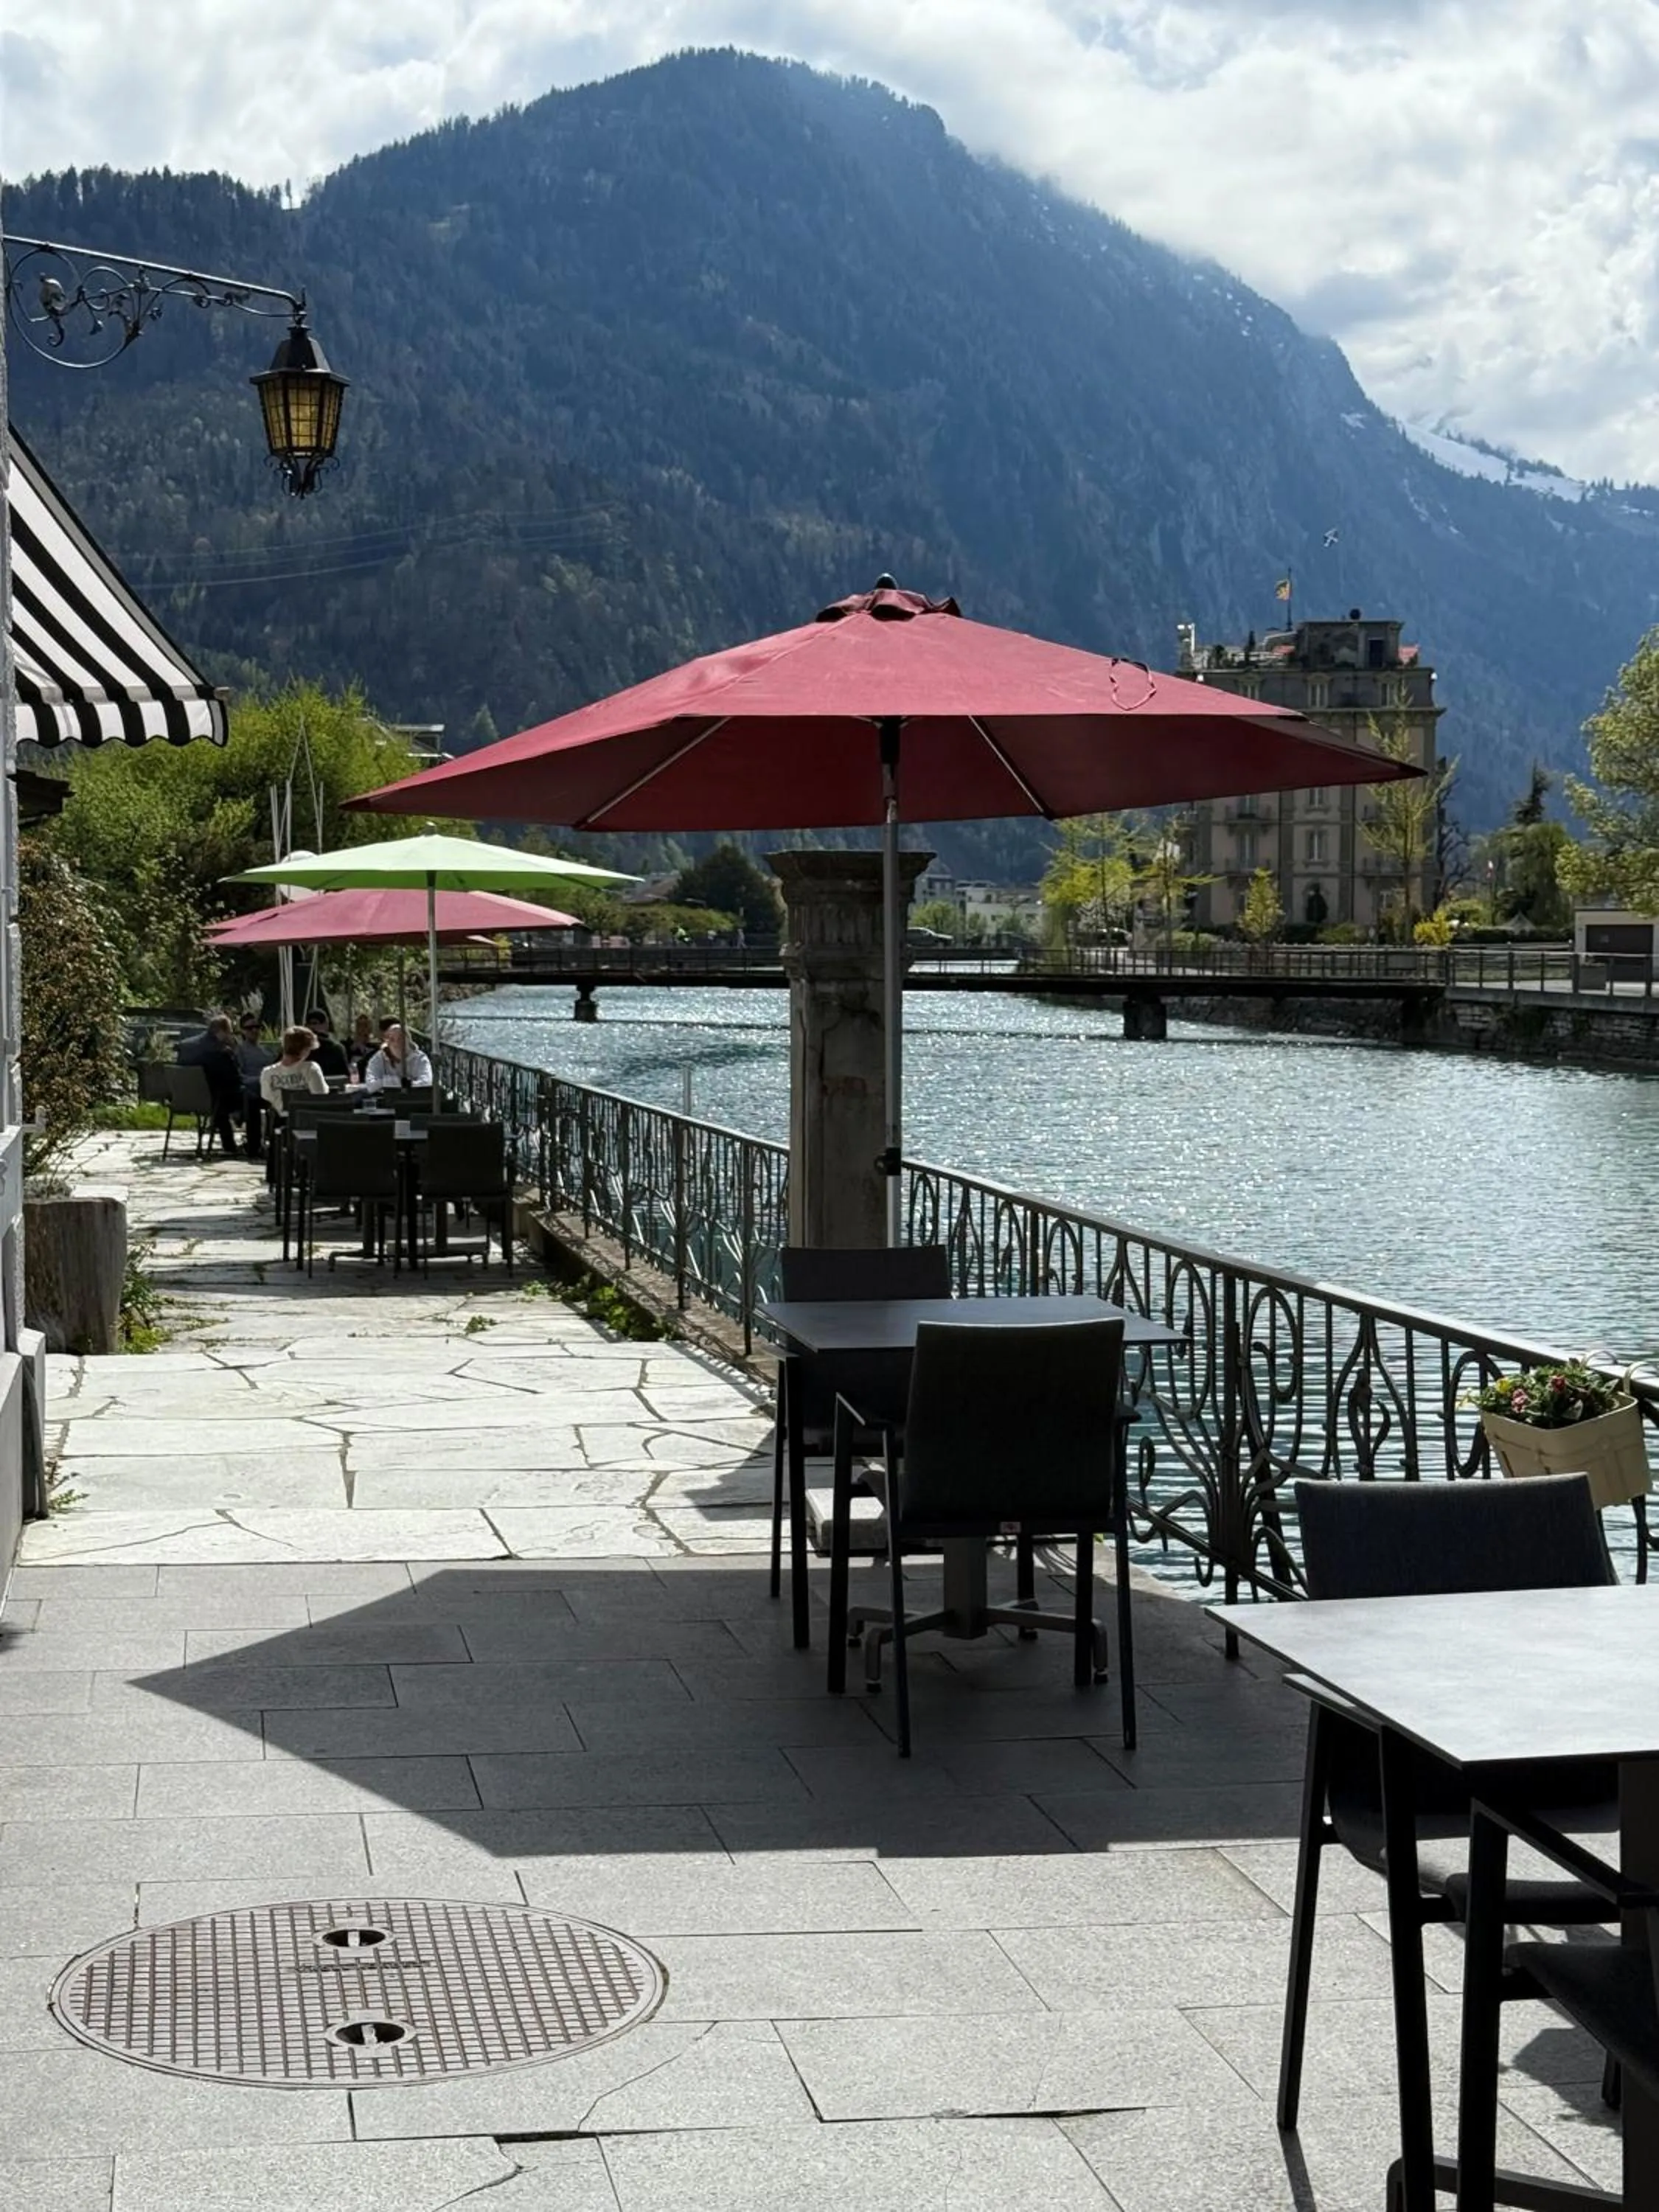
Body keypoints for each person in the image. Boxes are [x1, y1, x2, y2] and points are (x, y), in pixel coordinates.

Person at [176, 1015, 244, 1158]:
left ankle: (229, 1143)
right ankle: (243, 1143)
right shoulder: (220, 1052)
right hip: (212, 1100)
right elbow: (234, 1078)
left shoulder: (185, 1046)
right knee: (245, 1097)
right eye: (229, 1032)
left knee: (220, 1097)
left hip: (183, 1098)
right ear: (221, 1032)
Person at [259, 1026, 330, 1125]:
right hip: (309, 1124)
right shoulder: (311, 1069)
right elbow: (321, 1096)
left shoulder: (267, 1074)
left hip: (282, 1125)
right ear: (305, 1049)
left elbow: (267, 1098)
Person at [232, 1012, 275, 1159]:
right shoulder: (240, 1051)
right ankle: (254, 1146)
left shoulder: (266, 1051)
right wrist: (258, 1080)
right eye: (250, 1028)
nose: (255, 1031)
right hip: (251, 1090)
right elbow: (239, 1076)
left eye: (257, 1027)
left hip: (270, 1088)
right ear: (243, 1031)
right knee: (252, 1102)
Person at [363, 1021, 433, 1091]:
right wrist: (401, 1082)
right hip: (388, 1101)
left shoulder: (420, 1058)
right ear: (387, 1043)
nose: (396, 1043)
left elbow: (426, 1083)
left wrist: (384, 1082)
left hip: (414, 1100)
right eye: (392, 1039)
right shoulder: (379, 1058)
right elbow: (370, 1085)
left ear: (408, 1039)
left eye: (400, 1038)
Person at [305, 1008, 349, 1084]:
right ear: (326, 1025)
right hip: (331, 1093)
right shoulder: (337, 1048)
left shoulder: (297, 1048)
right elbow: (345, 1078)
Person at [347, 1013, 377, 1082]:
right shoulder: (348, 1045)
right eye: (360, 1025)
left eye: (365, 1025)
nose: (362, 1029)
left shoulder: (374, 1046)